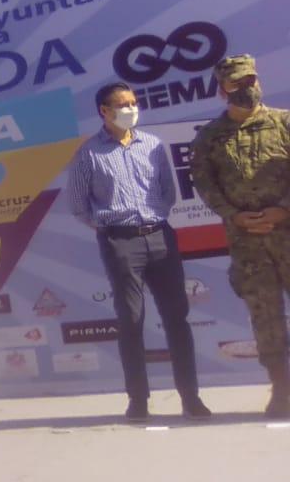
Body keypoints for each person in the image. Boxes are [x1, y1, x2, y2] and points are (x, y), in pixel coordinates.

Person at [67, 82, 211, 421]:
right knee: (131, 320)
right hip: (120, 242)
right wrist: (110, 227)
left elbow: (166, 192)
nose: (131, 109)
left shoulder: (154, 146)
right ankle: (138, 400)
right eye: (123, 105)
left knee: (177, 318)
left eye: (133, 103)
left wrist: (152, 219)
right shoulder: (88, 154)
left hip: (160, 236)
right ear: (104, 111)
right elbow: (77, 206)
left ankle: (191, 397)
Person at [189, 54, 290, 419]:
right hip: (247, 243)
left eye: (250, 81)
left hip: (288, 232)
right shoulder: (210, 138)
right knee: (266, 317)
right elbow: (205, 184)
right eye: (237, 84)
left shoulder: (284, 122)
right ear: (222, 90)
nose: (247, 89)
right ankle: (282, 390)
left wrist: (283, 209)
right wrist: (236, 216)